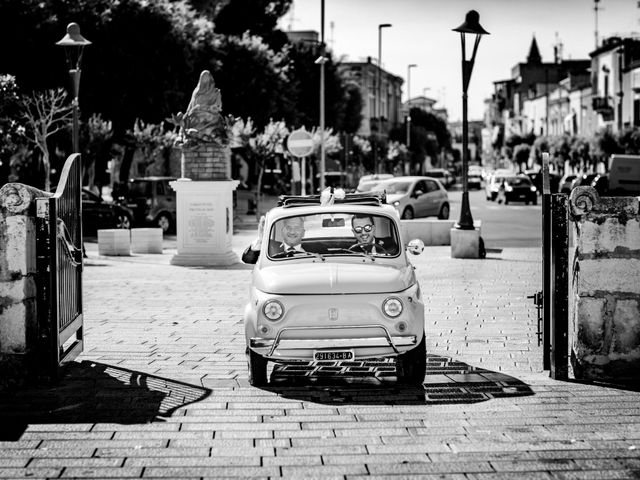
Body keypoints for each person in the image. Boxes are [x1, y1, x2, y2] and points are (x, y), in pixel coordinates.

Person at [241, 216, 306, 264]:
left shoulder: (312, 251)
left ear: (303, 232)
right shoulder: (270, 247)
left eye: (297, 228)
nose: (292, 232)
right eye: (288, 227)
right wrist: (261, 240)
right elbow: (248, 259)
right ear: (282, 231)